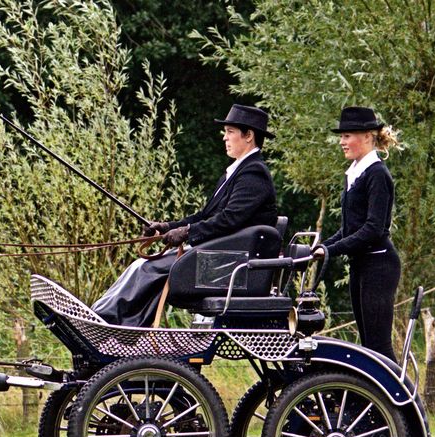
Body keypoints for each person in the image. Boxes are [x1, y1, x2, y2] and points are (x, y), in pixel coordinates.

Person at [92, 104, 279, 326]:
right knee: (139, 265)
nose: (224, 138)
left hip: (233, 266)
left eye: (230, 132)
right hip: (221, 258)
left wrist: (188, 232)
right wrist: (167, 227)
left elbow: (230, 219)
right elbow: (206, 215)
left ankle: (111, 323)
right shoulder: (238, 171)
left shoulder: (253, 173)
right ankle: (103, 316)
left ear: (248, 136)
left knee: (149, 268)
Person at [313, 106, 402, 361]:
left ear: (367, 136)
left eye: (347, 135)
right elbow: (349, 229)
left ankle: (403, 402)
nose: (342, 142)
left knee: (379, 347)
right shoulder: (354, 173)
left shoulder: (376, 174)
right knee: (367, 346)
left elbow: (373, 229)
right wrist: (321, 247)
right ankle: (368, 401)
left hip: (379, 265)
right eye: (341, 136)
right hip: (360, 265)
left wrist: (331, 250)